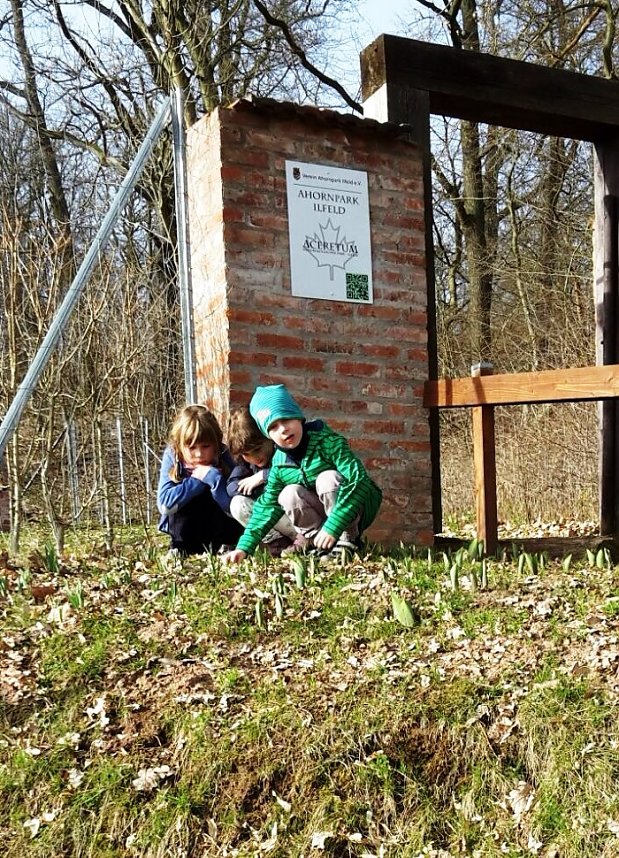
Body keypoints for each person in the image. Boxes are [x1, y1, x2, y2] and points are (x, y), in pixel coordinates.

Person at [222, 384, 382, 564]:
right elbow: (266, 507)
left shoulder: (327, 442)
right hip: (324, 518)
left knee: (327, 479)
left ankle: (347, 540)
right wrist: (243, 548)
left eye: (286, 419)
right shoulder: (280, 465)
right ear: (268, 436)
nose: (283, 429)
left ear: (298, 416)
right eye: (273, 427)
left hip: (355, 509)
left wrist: (334, 525)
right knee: (288, 494)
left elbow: (358, 480)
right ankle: (320, 545)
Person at [157, 405, 243, 555]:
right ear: (179, 445)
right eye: (191, 447)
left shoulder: (224, 455)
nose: (199, 454)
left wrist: (215, 480)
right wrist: (197, 480)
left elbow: (234, 508)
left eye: (205, 446)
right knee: (183, 497)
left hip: (220, 531)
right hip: (187, 533)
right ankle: (179, 549)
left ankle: (227, 545)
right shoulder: (172, 455)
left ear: (216, 443)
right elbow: (165, 505)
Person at [226, 407, 297, 556]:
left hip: (297, 518)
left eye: (258, 449)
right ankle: (277, 544)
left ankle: (305, 540)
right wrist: (257, 491)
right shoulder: (246, 464)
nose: (254, 458)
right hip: (272, 515)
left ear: (268, 437)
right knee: (238, 503)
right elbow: (232, 486)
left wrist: (264, 476)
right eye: (246, 454)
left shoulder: (285, 451)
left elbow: (298, 471)